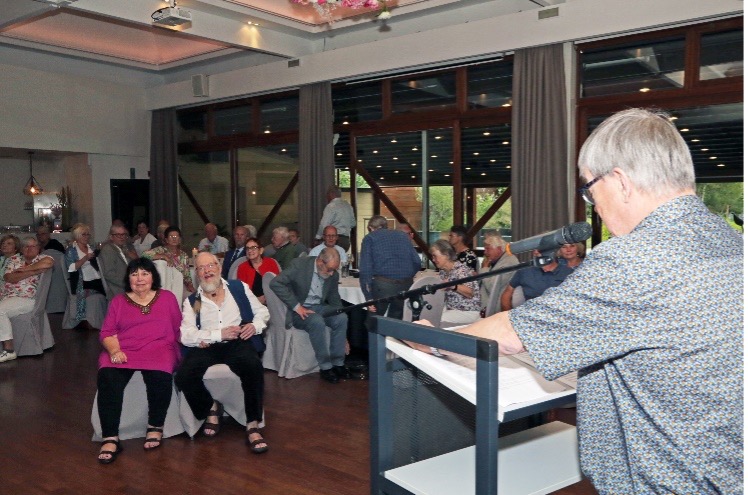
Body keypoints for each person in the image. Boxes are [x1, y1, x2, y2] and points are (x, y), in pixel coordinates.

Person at [412, 108, 743, 493]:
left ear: (619, 181)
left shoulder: (636, 258)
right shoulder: (729, 239)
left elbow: (510, 334)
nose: (592, 205)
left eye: (589, 189)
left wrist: (431, 338)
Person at [175, 253, 270, 453]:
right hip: (208, 344)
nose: (207, 270)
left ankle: (252, 423)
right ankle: (210, 407)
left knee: (252, 367)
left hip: (237, 341)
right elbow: (186, 335)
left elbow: (262, 312)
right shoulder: (194, 301)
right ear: (197, 273)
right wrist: (217, 335)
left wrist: (254, 325)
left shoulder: (238, 288)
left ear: (219, 268)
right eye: (201, 268)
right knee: (184, 375)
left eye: (211, 265)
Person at [95, 257, 182, 464]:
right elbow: (106, 332)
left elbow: (180, 327)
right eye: (134, 274)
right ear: (128, 279)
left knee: (159, 375)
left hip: (158, 348)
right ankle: (110, 437)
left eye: (145, 273)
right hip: (124, 349)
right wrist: (115, 350)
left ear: (153, 277)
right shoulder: (118, 301)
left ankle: (155, 425)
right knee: (107, 376)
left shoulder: (167, 298)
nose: (140, 278)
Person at [269, 248, 350, 384]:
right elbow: (275, 283)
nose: (331, 274)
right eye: (329, 270)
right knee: (317, 321)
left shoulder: (332, 274)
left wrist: (345, 337)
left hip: (319, 306)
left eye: (334, 270)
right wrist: (296, 306)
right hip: (299, 310)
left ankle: (338, 364)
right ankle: (325, 367)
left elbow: (334, 299)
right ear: (319, 262)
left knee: (341, 318)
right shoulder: (299, 265)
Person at [0, 237, 53, 363]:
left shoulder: (44, 258)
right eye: (26, 246)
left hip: (28, 298)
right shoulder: (14, 259)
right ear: (22, 249)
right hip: (8, 297)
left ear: (38, 248)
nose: (29, 249)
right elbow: (9, 277)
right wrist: (33, 271)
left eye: (33, 246)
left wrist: (24, 269)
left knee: (0, 310)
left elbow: (48, 264)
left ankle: (9, 350)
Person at [359, 215, 421, 319]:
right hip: (405, 285)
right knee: (396, 321)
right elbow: (417, 262)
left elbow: (366, 269)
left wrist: (368, 297)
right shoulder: (403, 236)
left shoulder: (370, 238)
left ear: (370, 228)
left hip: (383, 285)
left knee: (374, 321)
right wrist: (407, 275)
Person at [65, 223, 106, 331]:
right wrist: (85, 258)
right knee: (97, 292)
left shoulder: (91, 248)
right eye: (84, 234)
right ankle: (83, 320)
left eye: (88, 235)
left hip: (97, 279)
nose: (87, 237)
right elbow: (71, 268)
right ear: (77, 236)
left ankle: (109, 321)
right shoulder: (71, 251)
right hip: (82, 280)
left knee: (108, 289)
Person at [429, 240, 481, 324]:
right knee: (429, 314)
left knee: (434, 319)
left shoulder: (461, 270)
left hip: (467, 311)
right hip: (452, 308)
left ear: (446, 255)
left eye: (435, 256)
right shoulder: (443, 271)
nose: (433, 259)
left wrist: (453, 285)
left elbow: (470, 292)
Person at [499, 256, 572, 311]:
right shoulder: (525, 270)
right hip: (531, 316)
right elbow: (506, 294)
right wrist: (509, 317)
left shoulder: (569, 273)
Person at [143, 226, 196, 295]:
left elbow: (187, 275)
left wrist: (189, 285)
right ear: (166, 239)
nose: (174, 238)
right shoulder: (161, 250)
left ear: (179, 239)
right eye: (171, 236)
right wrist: (163, 256)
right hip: (164, 285)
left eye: (176, 236)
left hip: (179, 285)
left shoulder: (184, 255)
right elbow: (144, 255)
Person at [479, 231, 519, 312]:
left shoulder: (509, 262)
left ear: (499, 249)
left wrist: (484, 269)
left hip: (495, 310)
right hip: (485, 308)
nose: (485, 252)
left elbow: (492, 287)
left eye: (488, 249)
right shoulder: (495, 260)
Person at [236, 237, 281, 304]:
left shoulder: (271, 262)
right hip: (251, 304)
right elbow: (240, 291)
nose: (250, 251)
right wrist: (256, 301)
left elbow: (279, 285)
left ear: (261, 250)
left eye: (253, 248)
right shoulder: (242, 267)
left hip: (273, 301)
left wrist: (266, 298)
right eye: (247, 248)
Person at [99, 224, 138, 299]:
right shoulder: (108, 250)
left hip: (128, 287)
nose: (122, 237)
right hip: (117, 290)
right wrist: (129, 283)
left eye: (123, 234)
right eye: (118, 235)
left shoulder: (122, 248)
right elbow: (109, 274)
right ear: (111, 237)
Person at [315, 185, 356, 251]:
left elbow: (324, 224)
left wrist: (318, 238)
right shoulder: (348, 206)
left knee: (330, 259)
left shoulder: (331, 206)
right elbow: (353, 223)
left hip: (334, 239)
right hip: (346, 240)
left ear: (331, 194)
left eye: (327, 195)